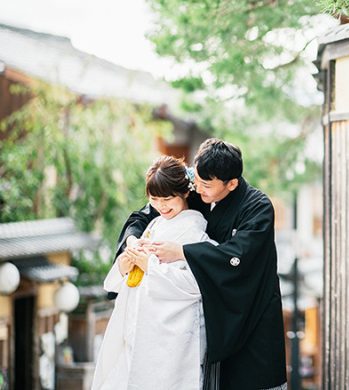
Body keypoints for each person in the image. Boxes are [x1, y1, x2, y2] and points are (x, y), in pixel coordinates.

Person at [115, 139, 288, 390]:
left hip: (251, 312)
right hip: (207, 317)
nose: (197, 188)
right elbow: (144, 214)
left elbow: (237, 255)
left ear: (231, 183)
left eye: (205, 184)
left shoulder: (257, 207)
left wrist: (182, 252)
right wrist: (133, 241)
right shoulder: (195, 191)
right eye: (195, 180)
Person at [92, 156, 213, 390]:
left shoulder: (195, 234)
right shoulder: (155, 224)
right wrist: (124, 266)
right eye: (154, 199)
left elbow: (197, 284)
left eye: (167, 199)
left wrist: (151, 267)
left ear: (185, 192)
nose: (161, 206)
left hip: (169, 339)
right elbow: (123, 279)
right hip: (136, 330)